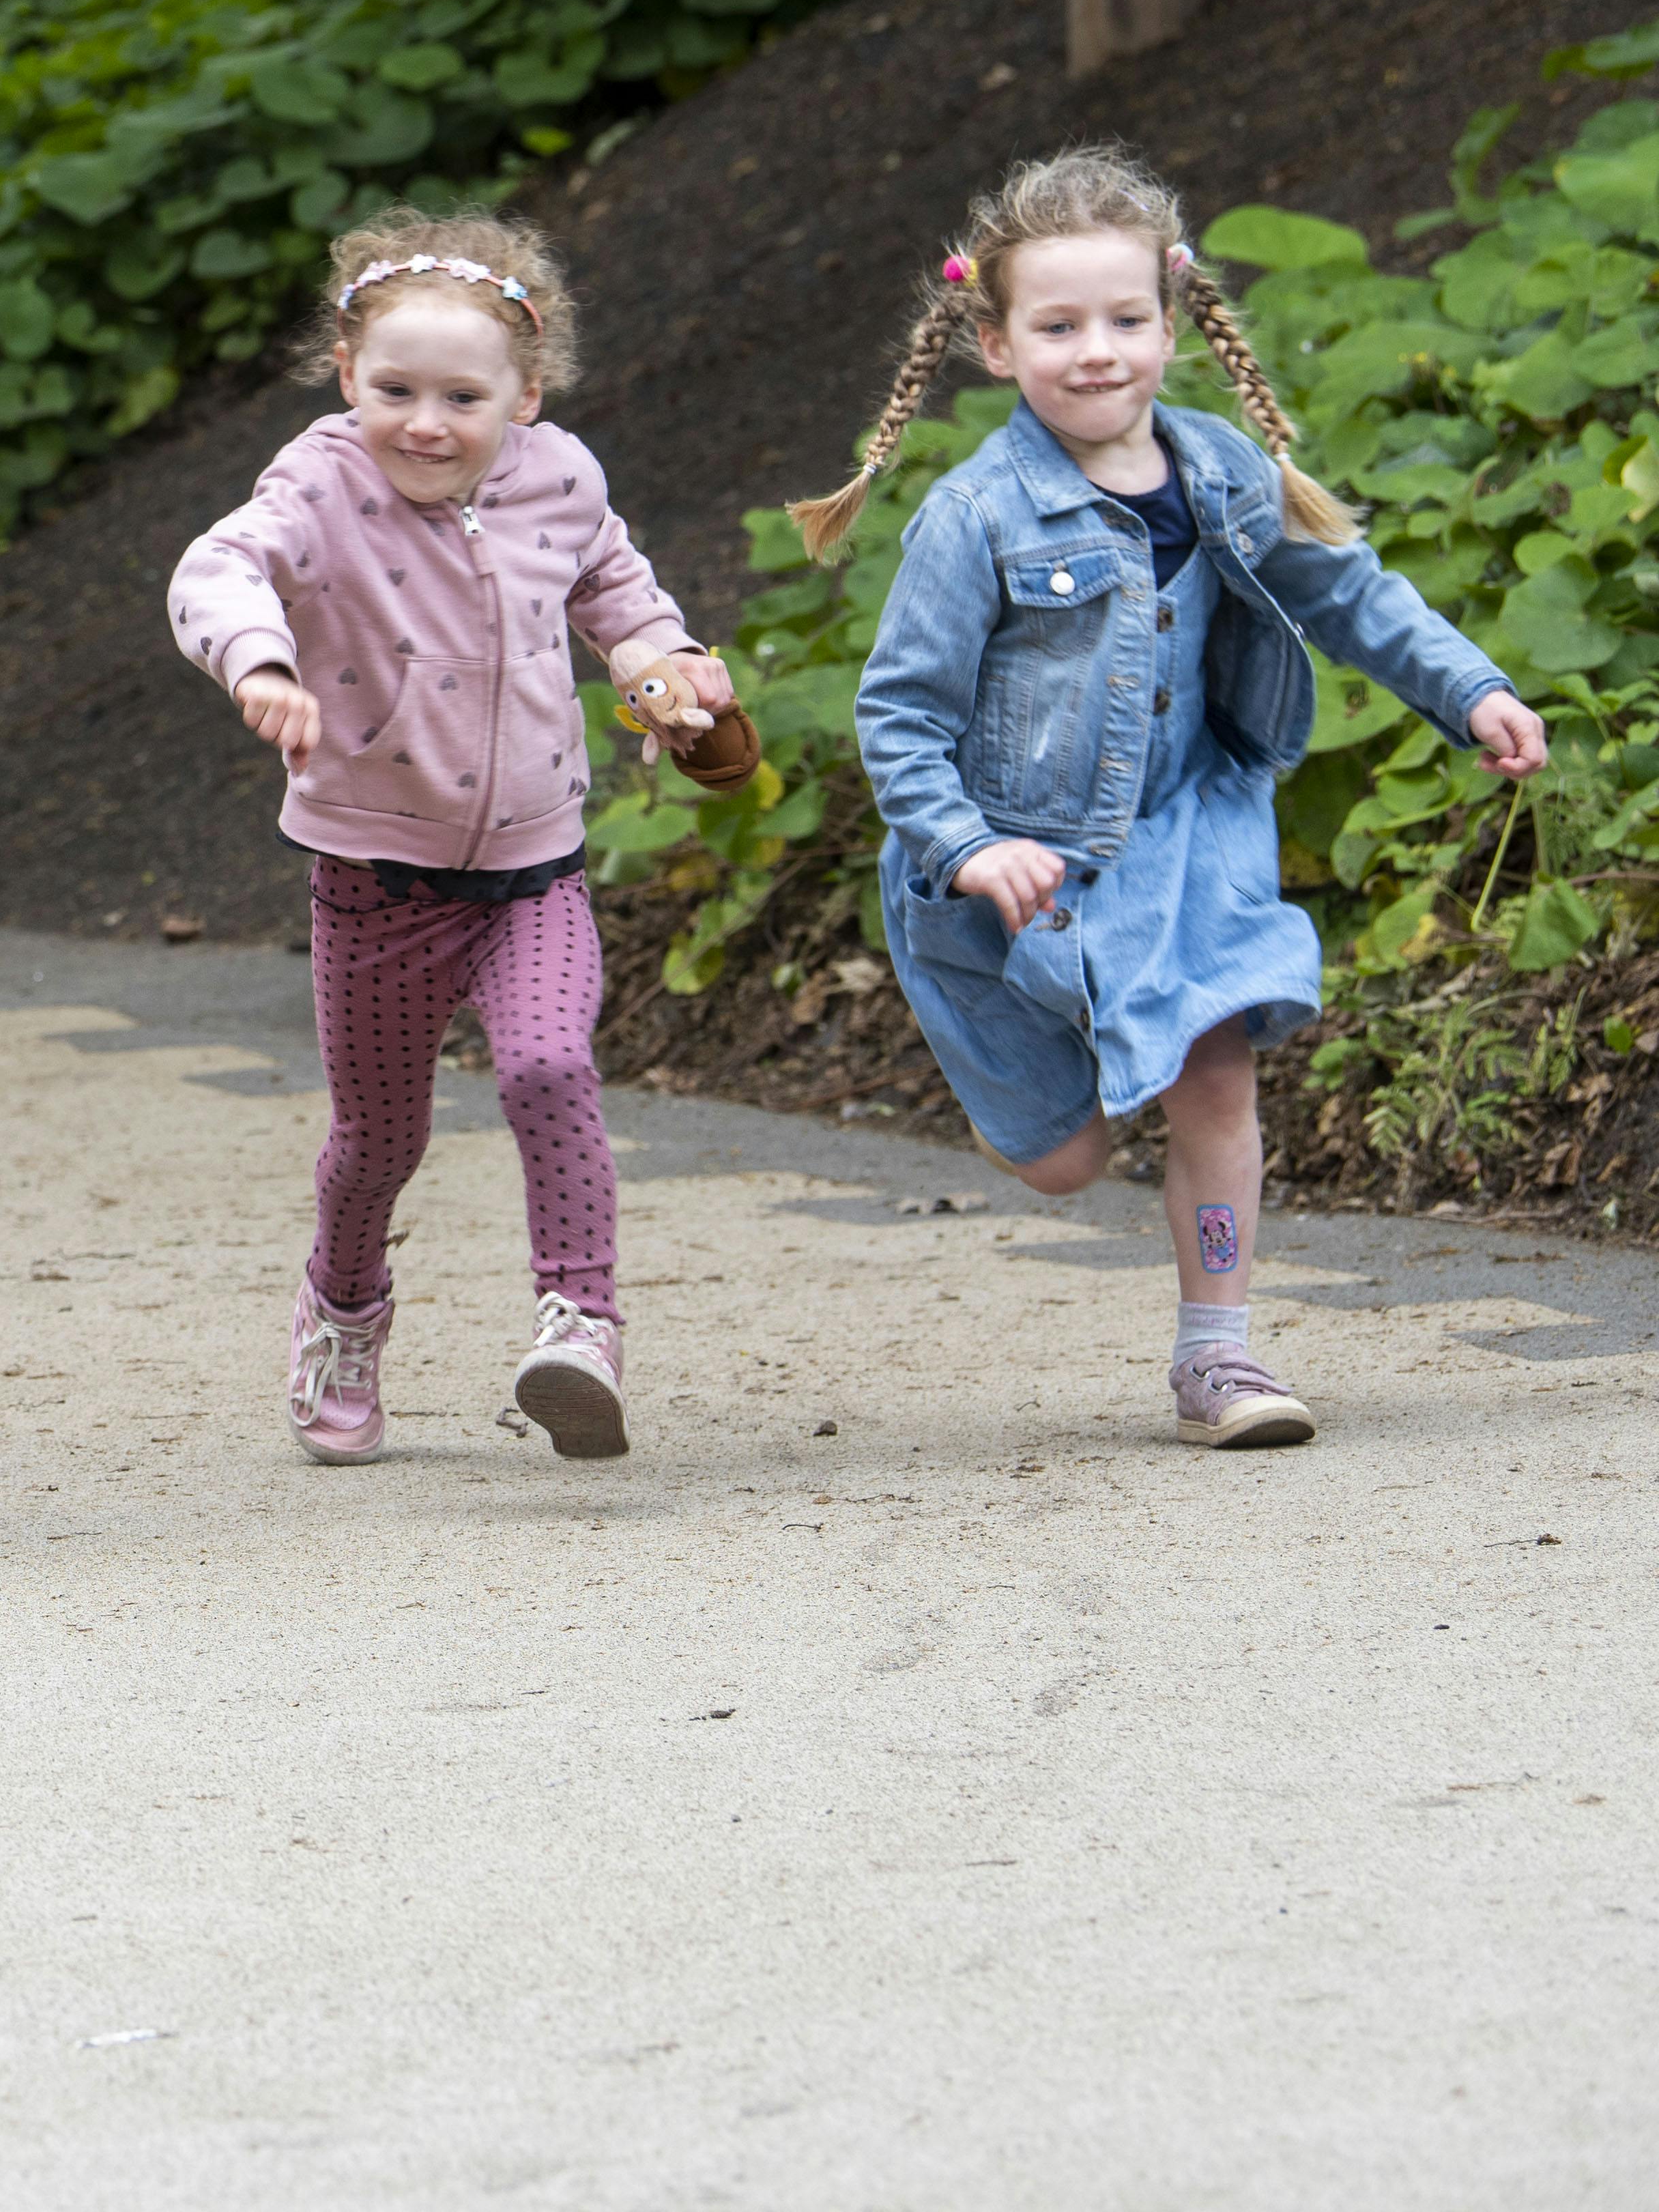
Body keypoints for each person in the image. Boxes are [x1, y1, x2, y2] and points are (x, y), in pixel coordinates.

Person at [791, 146, 1545, 1450]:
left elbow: (1353, 595)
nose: (1098, 352)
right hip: (1011, 876)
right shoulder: (977, 517)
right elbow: (900, 715)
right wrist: (964, 848)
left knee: (1216, 1079)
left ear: (1172, 322)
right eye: (1059, 326)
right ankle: (1011, 1025)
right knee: (1064, 1163)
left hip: (1194, 831)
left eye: (1126, 319)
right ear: (994, 343)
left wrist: (1470, 691)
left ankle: (1218, 1357)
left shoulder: (1225, 474)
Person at [168, 216, 734, 1468]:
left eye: (463, 399)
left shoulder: (561, 479)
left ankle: (582, 1322)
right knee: (379, 1143)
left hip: (533, 872)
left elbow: (617, 592)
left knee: (549, 1068)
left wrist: (671, 666)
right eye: (395, 391)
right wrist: (259, 662)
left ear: (524, 397)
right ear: (346, 374)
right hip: (376, 883)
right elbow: (220, 569)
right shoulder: (320, 485)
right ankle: (344, 1311)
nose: (425, 424)